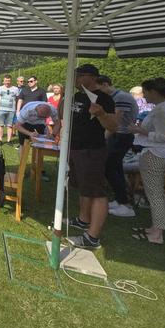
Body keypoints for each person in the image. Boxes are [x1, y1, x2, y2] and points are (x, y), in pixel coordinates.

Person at [66, 64, 117, 250]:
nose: (76, 79)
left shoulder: (104, 99)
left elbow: (113, 126)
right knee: (83, 187)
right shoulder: (78, 96)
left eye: (79, 76)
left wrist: (101, 113)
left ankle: (92, 238)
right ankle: (82, 219)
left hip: (92, 151)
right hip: (75, 150)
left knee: (96, 192)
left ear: (91, 77)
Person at [129, 77, 165, 245]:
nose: (144, 96)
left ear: (154, 92)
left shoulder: (161, 111)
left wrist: (139, 130)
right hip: (159, 154)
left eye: (145, 93)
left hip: (155, 154)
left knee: (155, 195)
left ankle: (157, 234)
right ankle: (154, 228)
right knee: (154, 194)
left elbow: (163, 136)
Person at [94, 76, 139, 218]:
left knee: (109, 167)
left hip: (121, 136)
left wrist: (102, 139)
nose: (97, 92)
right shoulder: (115, 97)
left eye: (98, 88)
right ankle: (121, 200)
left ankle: (124, 204)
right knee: (115, 167)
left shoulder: (120, 98)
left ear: (105, 84)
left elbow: (114, 123)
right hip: (118, 136)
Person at [14, 100, 60, 182]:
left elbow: (58, 124)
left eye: (45, 117)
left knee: (40, 147)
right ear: (36, 110)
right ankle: (22, 170)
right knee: (23, 146)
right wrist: (29, 133)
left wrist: (52, 134)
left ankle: (39, 171)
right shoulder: (27, 110)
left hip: (40, 125)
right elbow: (17, 126)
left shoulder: (52, 109)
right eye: (41, 116)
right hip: (25, 124)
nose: (42, 118)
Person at [16, 75, 46, 148]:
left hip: (36, 119)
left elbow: (44, 103)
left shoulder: (41, 91)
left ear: (36, 81)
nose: (29, 83)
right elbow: (20, 100)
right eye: (28, 82)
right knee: (22, 142)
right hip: (24, 117)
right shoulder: (24, 90)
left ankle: (36, 157)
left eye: (31, 81)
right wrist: (17, 111)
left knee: (38, 142)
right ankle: (21, 158)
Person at [0, 75, 19, 145]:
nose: (7, 82)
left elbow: (17, 99)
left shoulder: (15, 89)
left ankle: (9, 140)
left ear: (11, 81)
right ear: (3, 81)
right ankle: (0, 140)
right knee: (0, 125)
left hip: (11, 110)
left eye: (8, 81)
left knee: (10, 126)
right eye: (6, 80)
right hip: (1, 110)